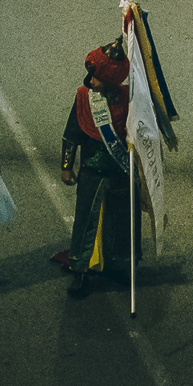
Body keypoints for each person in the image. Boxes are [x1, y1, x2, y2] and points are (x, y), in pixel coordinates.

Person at [60, 42, 135, 296]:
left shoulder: (129, 98)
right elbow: (72, 134)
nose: (90, 81)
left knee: (120, 222)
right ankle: (80, 271)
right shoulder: (84, 97)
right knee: (85, 222)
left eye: (96, 77)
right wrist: (66, 167)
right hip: (92, 172)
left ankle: (117, 265)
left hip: (120, 172)